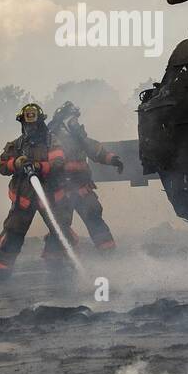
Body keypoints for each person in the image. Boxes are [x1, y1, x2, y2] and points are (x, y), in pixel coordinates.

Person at [0, 103, 66, 276]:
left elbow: (59, 163)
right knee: (14, 232)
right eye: (27, 125)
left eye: (34, 124)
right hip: (24, 198)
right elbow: (2, 167)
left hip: (48, 195)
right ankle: (2, 268)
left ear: (40, 123)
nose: (30, 128)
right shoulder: (16, 146)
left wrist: (39, 167)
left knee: (60, 229)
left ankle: (57, 266)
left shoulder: (51, 141)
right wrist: (16, 163)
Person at [44, 101, 123, 260]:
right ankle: (55, 261)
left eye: (76, 119)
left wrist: (112, 159)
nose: (76, 123)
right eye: (73, 119)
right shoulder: (50, 139)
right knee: (60, 225)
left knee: (93, 216)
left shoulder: (79, 138)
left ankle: (109, 254)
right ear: (63, 120)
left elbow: (95, 149)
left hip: (82, 188)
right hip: (61, 191)